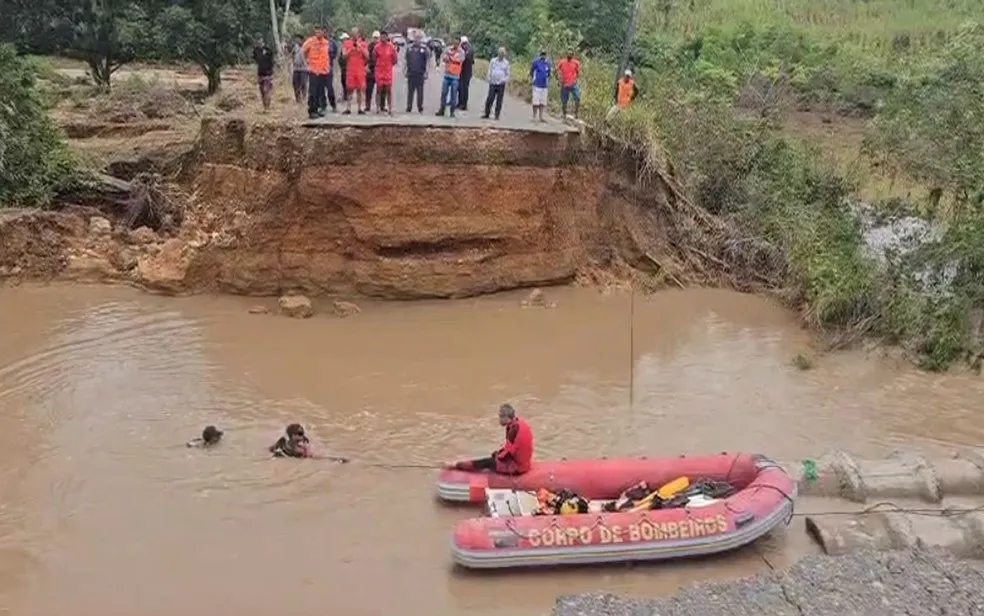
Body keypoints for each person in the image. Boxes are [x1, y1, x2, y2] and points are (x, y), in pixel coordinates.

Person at [443, 404, 534, 475]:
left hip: (517, 467)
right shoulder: (519, 423)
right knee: (494, 456)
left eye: (500, 417)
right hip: (524, 463)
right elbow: (512, 448)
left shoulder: (513, 430)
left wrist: (496, 458)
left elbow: (509, 454)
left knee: (486, 462)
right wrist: (498, 454)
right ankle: (460, 464)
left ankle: (457, 465)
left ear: (506, 418)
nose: (499, 420)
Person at [302, 27, 334, 118]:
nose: (318, 33)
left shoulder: (326, 43)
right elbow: (303, 52)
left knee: (321, 91)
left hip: (323, 71)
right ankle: (312, 110)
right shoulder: (310, 41)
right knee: (313, 92)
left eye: (320, 32)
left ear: (323, 32)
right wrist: (306, 63)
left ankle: (318, 108)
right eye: (316, 32)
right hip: (314, 70)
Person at [342, 28, 370, 114]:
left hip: (360, 70)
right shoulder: (347, 43)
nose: (354, 35)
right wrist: (351, 49)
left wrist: (359, 47)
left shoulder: (363, 43)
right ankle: (348, 108)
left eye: (356, 33)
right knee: (349, 89)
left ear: (358, 34)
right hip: (350, 69)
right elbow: (343, 56)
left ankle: (360, 108)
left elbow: (367, 57)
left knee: (360, 89)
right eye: (353, 33)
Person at [435, 38, 464, 117]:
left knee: (454, 95)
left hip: (455, 76)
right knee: (444, 93)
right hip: (447, 74)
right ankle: (442, 110)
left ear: (459, 44)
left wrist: (450, 57)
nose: (455, 45)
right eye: (454, 43)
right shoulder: (448, 49)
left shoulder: (461, 52)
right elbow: (444, 58)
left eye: (457, 43)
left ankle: (452, 111)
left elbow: (459, 60)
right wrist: (450, 57)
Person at [372, 30, 398, 115]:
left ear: (387, 37)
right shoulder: (377, 47)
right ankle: (378, 108)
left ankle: (390, 108)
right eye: (381, 37)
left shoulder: (391, 47)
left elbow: (395, 60)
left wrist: (389, 65)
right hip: (379, 70)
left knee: (388, 90)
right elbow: (374, 58)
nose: (383, 38)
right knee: (379, 89)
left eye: (384, 37)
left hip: (388, 70)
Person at [404, 30, 430, 113]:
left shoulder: (425, 49)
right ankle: (409, 107)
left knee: (420, 92)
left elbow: (428, 61)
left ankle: (420, 107)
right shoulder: (409, 48)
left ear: (421, 39)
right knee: (410, 91)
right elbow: (406, 60)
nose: (417, 39)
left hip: (420, 73)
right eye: (415, 37)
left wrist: (426, 72)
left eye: (419, 38)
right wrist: (404, 70)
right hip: (411, 72)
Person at [482, 47, 510, 120]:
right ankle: (486, 113)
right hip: (493, 82)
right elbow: (490, 70)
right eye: (500, 53)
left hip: (501, 84)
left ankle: (497, 115)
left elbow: (507, 74)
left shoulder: (506, 63)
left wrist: (503, 80)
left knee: (499, 100)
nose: (501, 55)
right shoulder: (493, 61)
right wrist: (489, 78)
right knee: (490, 98)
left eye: (502, 54)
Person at [557, 50, 582, 119]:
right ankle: (564, 113)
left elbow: (578, 72)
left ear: (573, 55)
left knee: (577, 97)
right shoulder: (562, 62)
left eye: (571, 54)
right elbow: (557, 70)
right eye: (568, 54)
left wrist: (576, 79)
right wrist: (559, 79)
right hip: (564, 83)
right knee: (564, 100)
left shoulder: (576, 63)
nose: (569, 55)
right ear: (566, 54)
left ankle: (576, 113)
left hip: (573, 84)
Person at [252, 37, 275, 111]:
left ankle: (267, 106)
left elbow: (272, 61)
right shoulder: (256, 50)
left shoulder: (269, 50)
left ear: (263, 42)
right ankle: (265, 105)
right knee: (262, 91)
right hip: (260, 73)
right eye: (258, 42)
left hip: (268, 74)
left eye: (260, 42)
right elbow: (255, 59)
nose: (259, 43)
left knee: (266, 90)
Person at [529, 50, 551, 123]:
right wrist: (533, 79)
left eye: (544, 55)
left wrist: (548, 81)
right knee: (535, 101)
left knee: (542, 102)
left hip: (544, 85)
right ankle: (534, 116)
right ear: (540, 55)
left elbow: (549, 74)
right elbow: (531, 71)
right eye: (542, 54)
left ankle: (541, 117)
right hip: (537, 84)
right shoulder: (536, 62)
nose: (543, 56)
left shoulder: (547, 64)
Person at [457, 35, 475, 111]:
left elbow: (465, 59)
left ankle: (464, 105)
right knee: (460, 88)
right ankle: (460, 103)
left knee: (464, 88)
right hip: (463, 71)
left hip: (466, 72)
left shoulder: (468, 49)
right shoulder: (468, 48)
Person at [290, 35, 308, 104]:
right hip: (296, 68)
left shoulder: (306, 46)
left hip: (304, 68)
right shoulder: (295, 47)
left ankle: (304, 97)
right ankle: (298, 99)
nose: (297, 41)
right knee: (295, 83)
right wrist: (293, 61)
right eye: (296, 40)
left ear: (302, 40)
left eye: (299, 39)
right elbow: (291, 54)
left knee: (303, 83)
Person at [364, 30, 380, 112]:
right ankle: (367, 105)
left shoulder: (382, 46)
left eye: (377, 38)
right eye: (374, 38)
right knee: (368, 89)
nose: (376, 39)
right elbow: (366, 57)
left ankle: (380, 106)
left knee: (380, 89)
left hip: (379, 69)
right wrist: (366, 66)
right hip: (370, 69)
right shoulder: (369, 46)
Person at [338, 32, 350, 100]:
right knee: (343, 81)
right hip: (343, 67)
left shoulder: (348, 47)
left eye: (343, 39)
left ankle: (347, 95)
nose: (342, 41)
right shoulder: (343, 47)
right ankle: (345, 95)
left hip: (347, 67)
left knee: (346, 81)